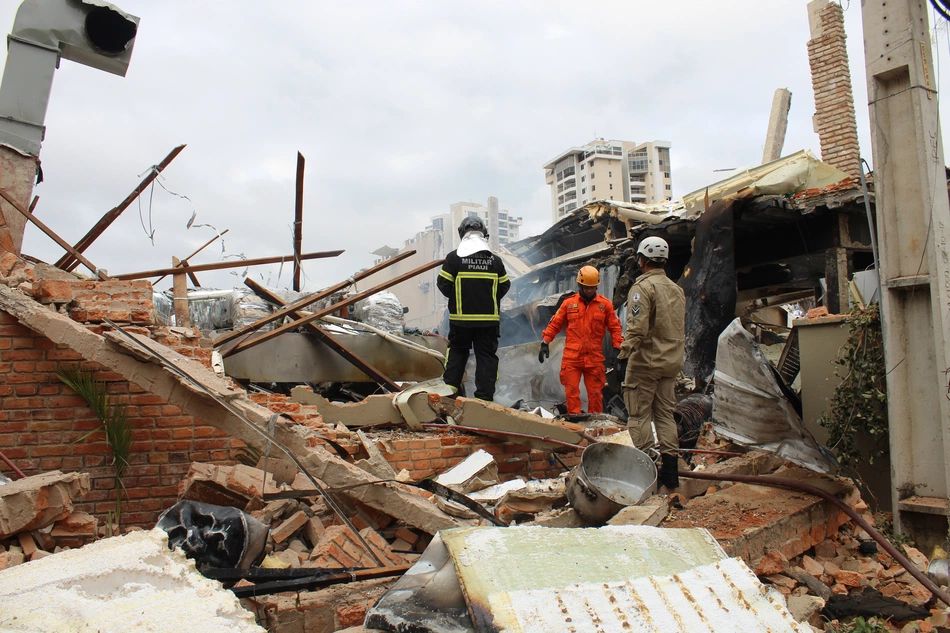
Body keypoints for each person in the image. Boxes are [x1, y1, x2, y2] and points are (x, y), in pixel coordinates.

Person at [617, 236, 686, 489]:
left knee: (638, 416)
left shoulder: (642, 288)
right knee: (666, 416)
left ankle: (648, 471)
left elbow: (636, 329)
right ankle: (671, 474)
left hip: (646, 362)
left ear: (641, 260)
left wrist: (623, 354)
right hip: (671, 363)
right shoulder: (677, 289)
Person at [437, 216, 510, 401]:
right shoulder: (495, 261)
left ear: (462, 233)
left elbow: (443, 284)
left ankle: (449, 396)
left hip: (461, 321)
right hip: (488, 322)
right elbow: (505, 285)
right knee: (486, 357)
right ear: (483, 233)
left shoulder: (454, 258)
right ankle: (483, 401)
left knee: (457, 353)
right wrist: (488, 299)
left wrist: (459, 299)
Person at [539, 265, 623, 414]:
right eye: (586, 288)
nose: (590, 291)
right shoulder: (569, 304)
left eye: (592, 288)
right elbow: (555, 324)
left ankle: (594, 424)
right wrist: (545, 342)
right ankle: (575, 424)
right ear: (580, 285)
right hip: (572, 358)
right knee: (571, 393)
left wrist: (617, 348)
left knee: (596, 394)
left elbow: (615, 328)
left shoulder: (605, 305)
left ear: (596, 286)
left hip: (594, 358)